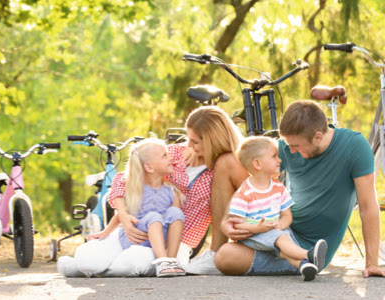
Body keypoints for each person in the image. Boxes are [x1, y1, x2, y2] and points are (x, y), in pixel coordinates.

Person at [57, 105, 249, 277]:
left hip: (173, 245)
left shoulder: (223, 169)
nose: (188, 146)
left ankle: (90, 270)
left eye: (195, 142)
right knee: (88, 258)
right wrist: (123, 215)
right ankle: (86, 266)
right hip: (138, 229)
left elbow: (250, 197)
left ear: (213, 141)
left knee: (133, 263)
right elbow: (123, 180)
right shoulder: (173, 154)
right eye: (188, 139)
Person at [215, 100, 385, 278]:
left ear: (318, 137)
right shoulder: (289, 146)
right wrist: (228, 220)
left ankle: (305, 261)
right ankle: (215, 251)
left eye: (295, 146)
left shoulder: (354, 146)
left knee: (226, 258)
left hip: (309, 247)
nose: (290, 151)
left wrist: (371, 263)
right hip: (276, 229)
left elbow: (368, 206)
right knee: (227, 162)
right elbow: (250, 182)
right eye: (287, 145)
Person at [229, 136, 327, 281]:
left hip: (276, 231)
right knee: (281, 238)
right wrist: (257, 228)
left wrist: (281, 225)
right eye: (274, 156)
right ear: (257, 164)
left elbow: (287, 215)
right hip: (255, 235)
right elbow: (237, 223)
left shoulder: (278, 188)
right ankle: (308, 254)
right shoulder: (244, 193)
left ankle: (304, 266)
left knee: (284, 245)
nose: (280, 160)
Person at [118, 138, 185, 277]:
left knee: (175, 212)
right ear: (149, 167)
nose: (171, 158)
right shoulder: (134, 188)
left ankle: (171, 261)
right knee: (154, 216)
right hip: (138, 236)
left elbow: (175, 219)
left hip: (161, 236)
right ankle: (162, 261)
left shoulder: (170, 190)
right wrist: (105, 233)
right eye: (164, 155)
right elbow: (121, 215)